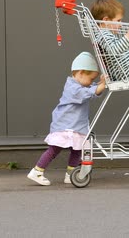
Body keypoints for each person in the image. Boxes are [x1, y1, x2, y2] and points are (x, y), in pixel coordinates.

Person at [27, 52, 106, 186]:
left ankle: (70, 174)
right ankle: (37, 171)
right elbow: (86, 93)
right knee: (54, 149)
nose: (91, 83)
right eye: (91, 79)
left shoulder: (80, 85)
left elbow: (91, 91)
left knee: (76, 151)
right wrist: (100, 86)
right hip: (65, 126)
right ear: (80, 73)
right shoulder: (73, 88)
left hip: (75, 127)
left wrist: (100, 85)